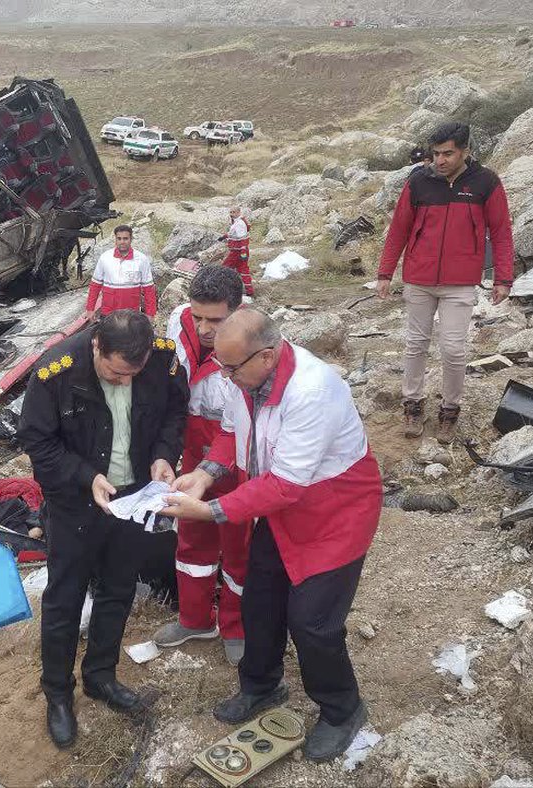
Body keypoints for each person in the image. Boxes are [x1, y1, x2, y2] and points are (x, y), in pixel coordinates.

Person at [161, 309, 382, 763]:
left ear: (266, 355)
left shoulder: (313, 390)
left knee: (312, 621)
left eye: (231, 368)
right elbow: (228, 433)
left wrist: (209, 510)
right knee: (259, 598)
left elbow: (285, 484)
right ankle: (261, 685)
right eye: (219, 364)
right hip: (280, 509)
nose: (223, 375)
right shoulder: (244, 378)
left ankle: (343, 709)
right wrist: (204, 475)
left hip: (334, 512)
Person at [17, 310, 188, 749]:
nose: (125, 382)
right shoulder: (56, 371)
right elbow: (37, 441)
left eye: (133, 373)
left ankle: (101, 677)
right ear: (96, 346)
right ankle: (58, 693)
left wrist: (165, 454)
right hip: (76, 501)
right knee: (65, 597)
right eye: (115, 373)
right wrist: (83, 476)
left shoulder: (163, 362)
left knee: (119, 587)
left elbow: (174, 410)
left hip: (134, 497)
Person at [376, 121, 516, 441]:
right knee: (415, 344)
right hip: (419, 279)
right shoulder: (418, 182)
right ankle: (412, 405)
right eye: (436, 154)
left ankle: (449, 411)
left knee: (453, 349)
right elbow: (399, 229)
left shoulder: (486, 183)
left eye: (447, 154)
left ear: (465, 151)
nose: (440, 161)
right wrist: (385, 273)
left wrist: (502, 278)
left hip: (460, 283)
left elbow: (501, 232)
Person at [151, 265, 250, 666]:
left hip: (239, 457)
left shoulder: (254, 344)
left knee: (238, 544)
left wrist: (212, 470)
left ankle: (236, 625)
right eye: (199, 317)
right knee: (190, 534)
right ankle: (195, 619)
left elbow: (238, 426)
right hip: (192, 447)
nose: (205, 328)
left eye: (216, 320)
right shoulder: (178, 322)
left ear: (238, 314)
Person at [84, 224, 156, 321]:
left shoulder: (142, 259)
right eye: (119, 238)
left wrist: (150, 313)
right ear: (115, 239)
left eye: (125, 238)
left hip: (132, 315)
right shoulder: (105, 258)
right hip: (108, 313)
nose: (122, 242)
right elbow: (95, 286)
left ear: (131, 239)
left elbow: (149, 290)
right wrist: (90, 309)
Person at [220, 206, 255, 298]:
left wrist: (243, 252)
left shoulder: (239, 223)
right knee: (243, 270)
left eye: (233, 212)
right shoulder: (237, 222)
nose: (231, 214)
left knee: (225, 268)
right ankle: (249, 290)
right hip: (238, 251)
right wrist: (224, 236)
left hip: (237, 252)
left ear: (239, 212)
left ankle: (223, 288)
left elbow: (242, 238)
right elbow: (233, 233)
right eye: (230, 212)